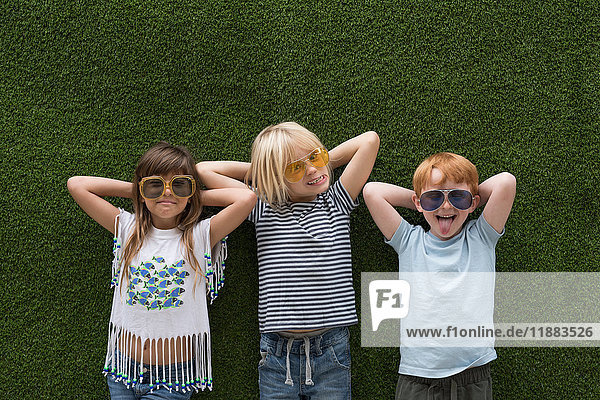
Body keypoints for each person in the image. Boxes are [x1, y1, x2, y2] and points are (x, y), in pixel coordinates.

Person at [196, 122, 379, 400]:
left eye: (315, 158)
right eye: (295, 168)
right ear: (275, 178)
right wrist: (268, 172)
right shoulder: (261, 206)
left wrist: (319, 160)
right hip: (276, 352)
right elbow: (204, 170)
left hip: (331, 347)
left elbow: (369, 140)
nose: (312, 170)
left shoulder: (337, 201)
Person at [67, 141, 257, 399]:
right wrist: (140, 193)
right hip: (124, 370)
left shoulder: (200, 235)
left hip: (174, 377)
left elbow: (246, 198)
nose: (167, 193)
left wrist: (190, 196)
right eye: (155, 184)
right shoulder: (127, 228)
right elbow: (77, 184)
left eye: (179, 184)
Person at [362, 152, 516, 400]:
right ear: (419, 202)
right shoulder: (409, 241)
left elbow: (506, 182)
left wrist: (464, 199)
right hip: (417, 378)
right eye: (434, 198)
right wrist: (424, 202)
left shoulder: (481, 238)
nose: (446, 206)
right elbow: (372, 192)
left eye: (458, 197)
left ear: (473, 202)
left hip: (472, 373)